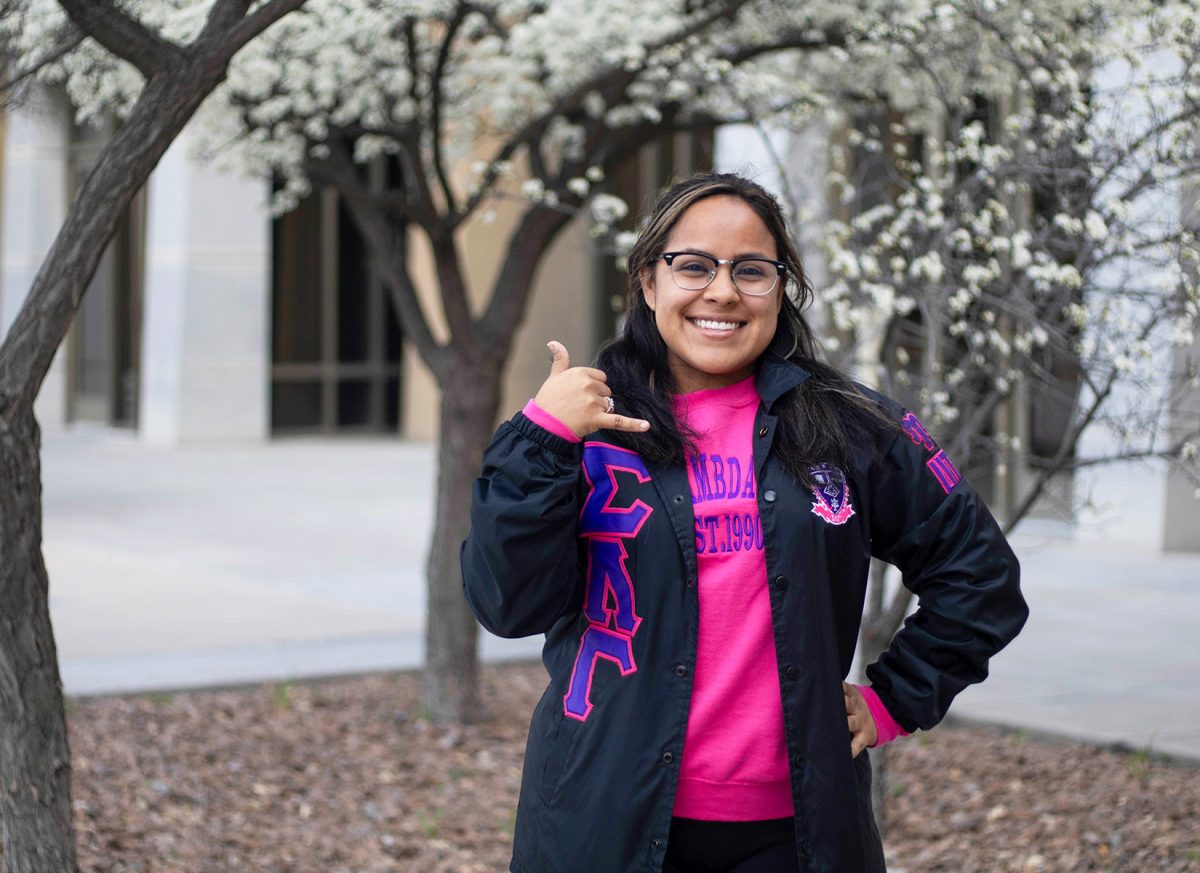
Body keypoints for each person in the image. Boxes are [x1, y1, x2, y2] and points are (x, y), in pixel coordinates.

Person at [461, 172, 1027, 873]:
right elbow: (506, 603)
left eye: (751, 271)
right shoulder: (587, 425)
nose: (722, 292)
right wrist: (541, 437)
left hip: (796, 833)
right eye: (693, 265)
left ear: (780, 288)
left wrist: (894, 700)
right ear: (647, 279)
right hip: (603, 815)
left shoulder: (848, 425)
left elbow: (981, 573)